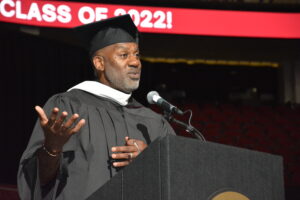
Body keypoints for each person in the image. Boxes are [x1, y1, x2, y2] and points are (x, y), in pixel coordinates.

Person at [17, 15, 176, 200]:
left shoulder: (154, 122)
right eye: (124, 55)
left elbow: (179, 180)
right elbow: (36, 181)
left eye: (137, 55)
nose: (135, 62)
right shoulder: (68, 106)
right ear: (99, 63)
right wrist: (52, 147)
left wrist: (151, 161)